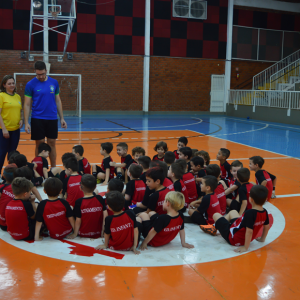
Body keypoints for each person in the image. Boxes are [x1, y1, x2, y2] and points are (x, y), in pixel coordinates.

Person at [201, 185, 270, 253]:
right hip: (240, 233)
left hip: (233, 238)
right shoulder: (264, 211)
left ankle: (215, 227)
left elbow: (249, 231)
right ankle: (215, 227)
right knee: (233, 212)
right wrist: (262, 239)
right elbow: (267, 226)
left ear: (250, 199)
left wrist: (245, 247)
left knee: (216, 215)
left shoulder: (250, 213)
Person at [24, 61, 67, 168]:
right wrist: (26, 122)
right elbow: (27, 104)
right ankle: (39, 169)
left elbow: (57, 101)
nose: (41, 76)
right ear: (35, 72)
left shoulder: (54, 82)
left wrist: (62, 118)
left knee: (52, 143)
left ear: (46, 71)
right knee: (40, 144)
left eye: (43, 74)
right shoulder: (30, 84)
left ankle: (53, 169)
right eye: (38, 74)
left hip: (52, 118)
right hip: (37, 118)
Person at [67, 175, 108, 239]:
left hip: (83, 233)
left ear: (80, 188)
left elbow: (78, 220)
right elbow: (105, 214)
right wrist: (103, 230)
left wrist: (75, 233)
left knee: (71, 208)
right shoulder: (99, 198)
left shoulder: (78, 202)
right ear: (95, 187)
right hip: (98, 232)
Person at [0, 75, 23, 179]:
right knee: (2, 153)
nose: (12, 85)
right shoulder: (1, 96)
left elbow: (20, 110)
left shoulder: (17, 96)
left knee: (12, 154)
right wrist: (4, 129)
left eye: (13, 83)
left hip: (15, 130)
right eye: (9, 83)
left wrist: (21, 119)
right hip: (4, 130)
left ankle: (10, 175)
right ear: (4, 85)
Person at [0, 164, 18, 231]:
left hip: (3, 224)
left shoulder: (1, 188)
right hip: (15, 224)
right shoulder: (19, 187)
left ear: (4, 176)